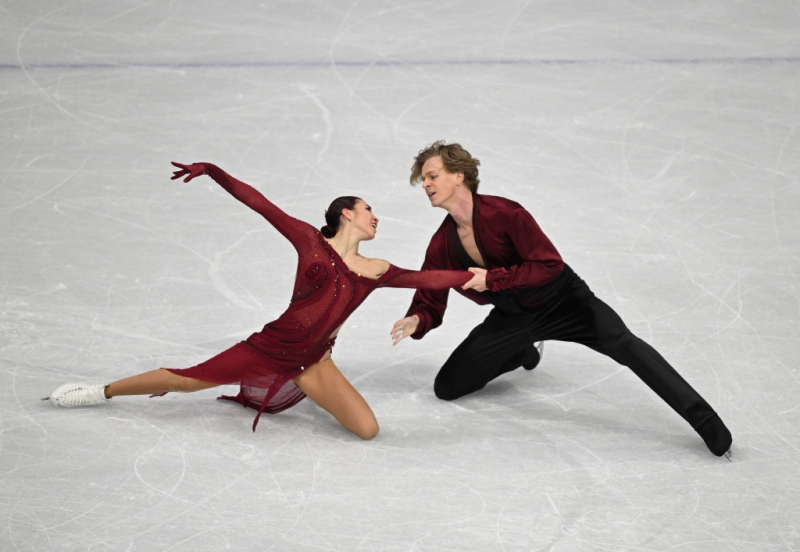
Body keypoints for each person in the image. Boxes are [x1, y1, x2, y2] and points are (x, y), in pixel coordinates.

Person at [46, 161, 471, 440]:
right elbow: (261, 204)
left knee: (368, 430)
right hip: (268, 348)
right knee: (186, 381)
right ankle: (100, 391)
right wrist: (214, 172)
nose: (376, 217)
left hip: (313, 362)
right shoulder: (311, 242)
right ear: (346, 213)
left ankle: (296, 384)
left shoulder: (375, 268)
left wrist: (481, 277)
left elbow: (429, 278)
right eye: (368, 209)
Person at [390, 141, 733, 459]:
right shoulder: (442, 243)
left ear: (458, 175)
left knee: (624, 343)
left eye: (432, 175)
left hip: (565, 301)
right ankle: (521, 352)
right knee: (447, 386)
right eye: (423, 179)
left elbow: (548, 265)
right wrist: (418, 318)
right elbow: (431, 292)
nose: (426, 184)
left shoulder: (506, 214)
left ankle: (704, 419)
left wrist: (492, 279)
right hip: (515, 317)